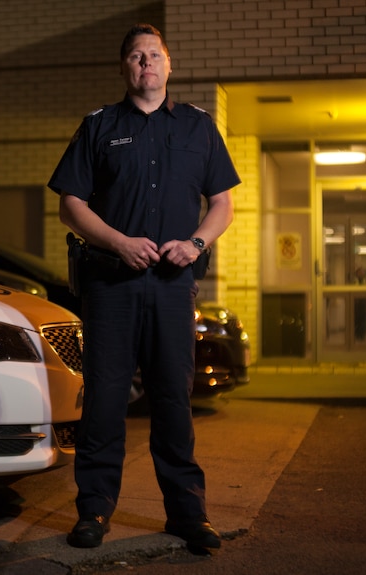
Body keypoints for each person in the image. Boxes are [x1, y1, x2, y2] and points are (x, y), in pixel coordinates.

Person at [48, 23, 240, 551]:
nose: (145, 63)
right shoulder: (100, 126)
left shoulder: (199, 127)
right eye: (135, 56)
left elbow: (222, 202)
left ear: (169, 65)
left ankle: (187, 514)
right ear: (124, 68)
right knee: (106, 402)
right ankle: (94, 512)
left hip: (174, 286)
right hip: (112, 286)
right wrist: (117, 243)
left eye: (154, 54)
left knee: (173, 400)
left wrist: (197, 244)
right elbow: (71, 205)